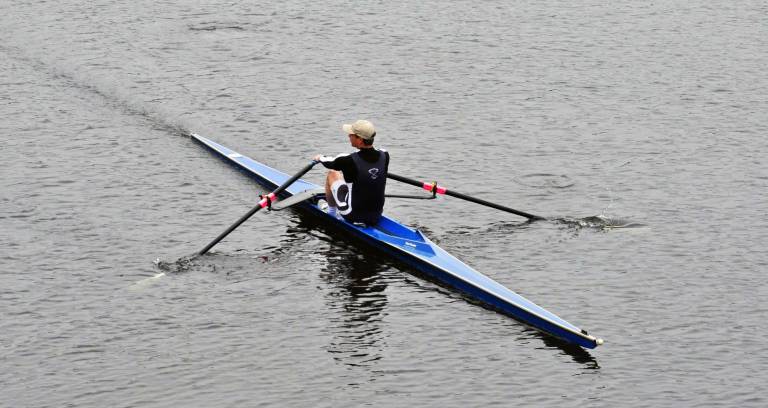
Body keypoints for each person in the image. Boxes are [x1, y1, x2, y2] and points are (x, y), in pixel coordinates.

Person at [313, 119, 389, 225]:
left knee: (332, 174)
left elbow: (329, 163)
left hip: (352, 215)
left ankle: (331, 213)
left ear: (360, 140)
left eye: (351, 134)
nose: (349, 136)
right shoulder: (385, 155)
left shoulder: (347, 160)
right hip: (376, 215)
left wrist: (319, 157)